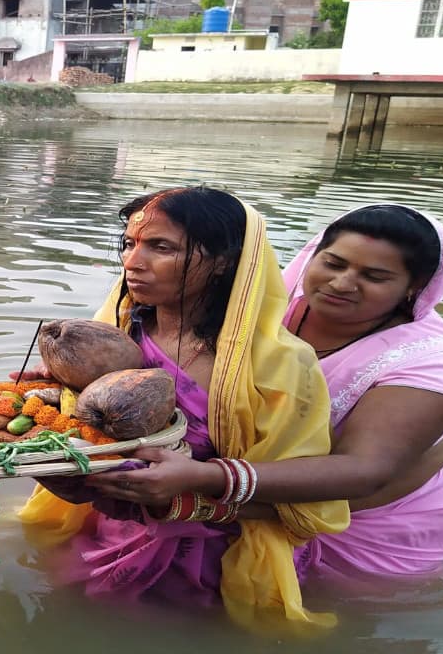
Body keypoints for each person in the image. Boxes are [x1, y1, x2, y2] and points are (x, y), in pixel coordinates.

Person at [94, 205, 443, 585]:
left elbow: (365, 471)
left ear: (415, 286)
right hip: (234, 493)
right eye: (334, 263)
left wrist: (206, 478)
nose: (342, 283)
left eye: (374, 276)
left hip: (366, 531)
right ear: (312, 255)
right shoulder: (257, 303)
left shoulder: (434, 363)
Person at [18, 187, 348, 627]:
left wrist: (187, 497)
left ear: (224, 261)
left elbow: (305, 505)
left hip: (215, 556)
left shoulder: (279, 364)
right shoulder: (119, 328)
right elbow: (87, 424)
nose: (133, 262)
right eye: (130, 244)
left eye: (161, 247)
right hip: (111, 526)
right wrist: (57, 391)